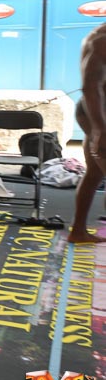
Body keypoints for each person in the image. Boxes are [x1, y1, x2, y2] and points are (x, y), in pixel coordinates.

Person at [70, 22, 106, 243]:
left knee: (94, 173)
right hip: (98, 114)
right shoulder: (101, 40)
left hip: (96, 114)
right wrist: (100, 128)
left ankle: (78, 231)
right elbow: (90, 86)